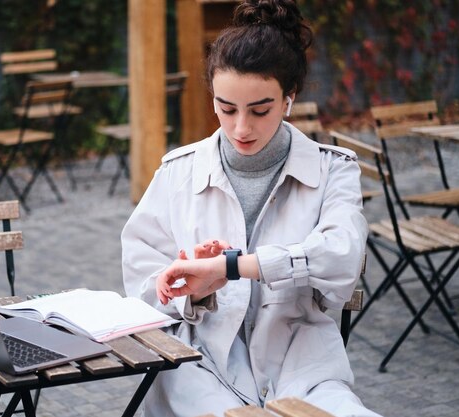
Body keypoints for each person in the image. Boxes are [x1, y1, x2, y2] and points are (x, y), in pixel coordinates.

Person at [121, 1, 382, 416]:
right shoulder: (177, 173)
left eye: (260, 110)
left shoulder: (334, 170)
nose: (241, 128)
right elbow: (141, 290)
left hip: (303, 367)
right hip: (198, 366)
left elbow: (341, 257)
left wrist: (232, 267)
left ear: (288, 100)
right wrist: (193, 294)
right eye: (226, 109)